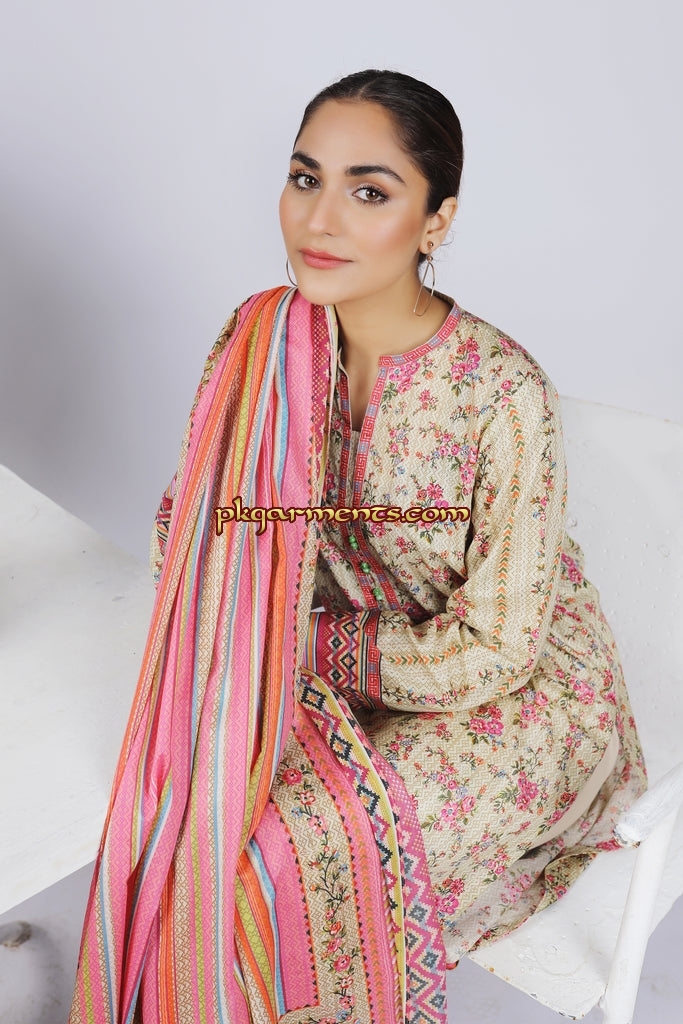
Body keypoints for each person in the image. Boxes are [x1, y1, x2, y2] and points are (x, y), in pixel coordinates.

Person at [69, 70, 646, 1024]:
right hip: (312, 670)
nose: (320, 219)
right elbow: (194, 528)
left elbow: (496, 648)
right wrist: (251, 609)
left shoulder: (500, 393)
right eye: (306, 179)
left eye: (368, 192)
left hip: (514, 699)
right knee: (191, 826)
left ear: (435, 220)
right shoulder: (258, 340)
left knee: (280, 861)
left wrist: (285, 639)